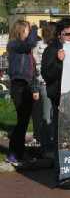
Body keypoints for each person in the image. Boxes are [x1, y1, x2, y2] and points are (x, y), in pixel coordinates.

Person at [41, 18, 70, 190]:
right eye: (67, 34)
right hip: (60, 101)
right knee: (61, 139)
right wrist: (59, 61)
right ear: (59, 35)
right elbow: (48, 75)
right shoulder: (51, 50)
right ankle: (63, 177)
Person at [6, 20, 39, 166]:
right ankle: (14, 153)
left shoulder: (26, 50)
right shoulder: (14, 45)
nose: (29, 33)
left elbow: (33, 70)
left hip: (27, 86)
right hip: (18, 85)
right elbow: (29, 44)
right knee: (21, 121)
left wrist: (35, 88)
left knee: (24, 121)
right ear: (20, 30)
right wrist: (34, 29)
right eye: (26, 30)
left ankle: (19, 152)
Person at [32, 22, 56, 158]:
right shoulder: (41, 48)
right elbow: (36, 69)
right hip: (46, 84)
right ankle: (47, 147)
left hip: (46, 84)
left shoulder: (38, 47)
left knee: (48, 115)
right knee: (47, 116)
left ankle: (47, 143)